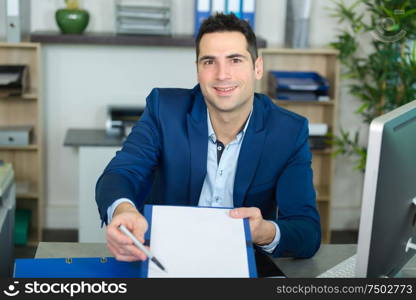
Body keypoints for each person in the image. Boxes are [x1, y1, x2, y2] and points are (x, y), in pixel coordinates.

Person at [96, 13, 321, 262]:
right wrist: (123, 210)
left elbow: (307, 231)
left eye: (235, 60)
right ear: (198, 70)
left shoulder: (288, 131)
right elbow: (120, 173)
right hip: (164, 259)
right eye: (209, 62)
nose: (222, 74)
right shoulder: (165, 111)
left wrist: (264, 232)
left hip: (242, 263)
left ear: (257, 67)